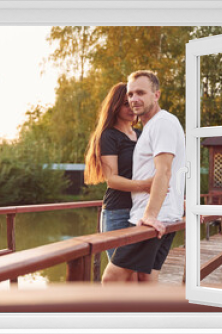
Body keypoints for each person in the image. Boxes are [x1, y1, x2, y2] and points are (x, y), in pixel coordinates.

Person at [102, 70, 186, 284]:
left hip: (151, 218)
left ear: (156, 95)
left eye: (140, 92)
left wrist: (149, 215)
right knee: (146, 280)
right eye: (130, 95)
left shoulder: (161, 124)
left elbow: (165, 171)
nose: (133, 99)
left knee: (111, 279)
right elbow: (176, 169)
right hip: (162, 215)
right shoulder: (153, 126)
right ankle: (149, 318)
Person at [84, 82, 153, 281]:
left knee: (140, 276)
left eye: (133, 102)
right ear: (115, 106)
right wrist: (145, 186)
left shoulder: (143, 135)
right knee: (122, 277)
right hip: (118, 213)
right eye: (125, 103)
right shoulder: (108, 136)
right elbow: (112, 180)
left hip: (143, 212)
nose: (131, 108)